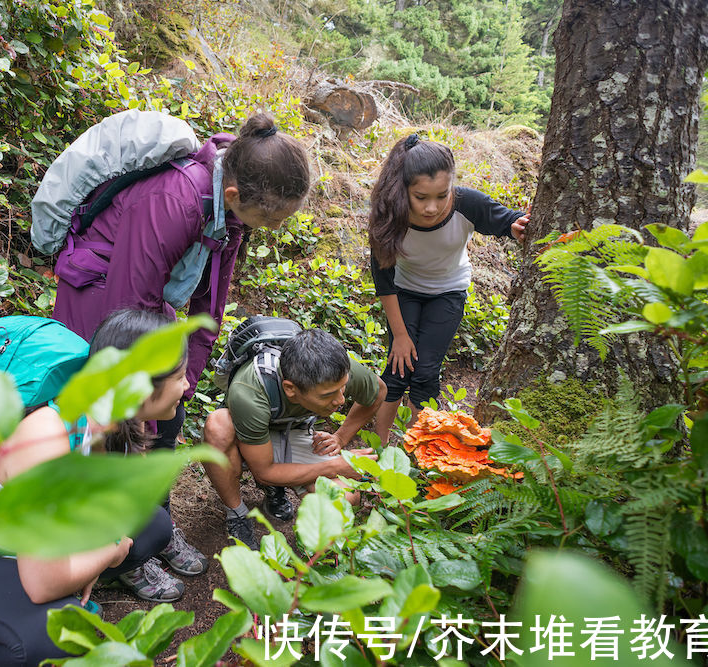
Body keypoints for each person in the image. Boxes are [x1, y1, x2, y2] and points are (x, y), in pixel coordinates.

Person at [49, 113, 311, 575]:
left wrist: (186, 377)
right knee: (117, 429)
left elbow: (211, 300)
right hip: (101, 299)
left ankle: (154, 527)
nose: (275, 228)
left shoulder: (227, 207)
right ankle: (121, 553)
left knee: (169, 419)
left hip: (149, 302)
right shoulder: (174, 200)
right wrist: (148, 391)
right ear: (234, 196)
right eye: (273, 218)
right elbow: (127, 306)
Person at [0, 310, 191, 666]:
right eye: (180, 376)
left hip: (16, 552)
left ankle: (47, 601)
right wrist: (109, 552)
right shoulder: (47, 440)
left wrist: (89, 558)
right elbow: (42, 584)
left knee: (151, 525)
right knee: (63, 633)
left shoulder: (106, 419)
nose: (186, 386)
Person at [367, 134, 531, 446]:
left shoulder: (467, 203)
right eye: (421, 197)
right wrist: (400, 337)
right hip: (404, 292)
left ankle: (421, 453)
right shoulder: (389, 215)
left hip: (448, 291)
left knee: (425, 373)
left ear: (451, 186)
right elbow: (384, 281)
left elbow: (507, 221)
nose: (432, 207)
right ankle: (379, 447)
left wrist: (517, 226)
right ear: (403, 189)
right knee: (398, 369)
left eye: (441, 196)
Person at [201, 329, 387, 549]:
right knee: (217, 426)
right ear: (290, 389)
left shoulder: (334, 369)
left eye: (343, 388)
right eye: (327, 395)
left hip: (294, 430)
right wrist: (335, 466)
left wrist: (341, 437)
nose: (340, 400)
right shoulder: (249, 391)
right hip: (248, 435)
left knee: (346, 497)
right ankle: (237, 514)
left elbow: (378, 392)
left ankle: (303, 536)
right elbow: (265, 472)